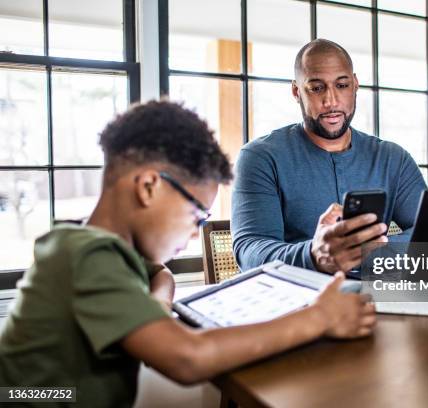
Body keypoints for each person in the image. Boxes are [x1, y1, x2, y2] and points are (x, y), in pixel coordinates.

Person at [0, 101, 376, 407]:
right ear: (148, 187)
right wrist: (319, 319)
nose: (197, 230)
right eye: (197, 213)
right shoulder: (89, 256)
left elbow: (159, 274)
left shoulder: (95, 248)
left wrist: (156, 304)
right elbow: (187, 358)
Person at [231, 39, 428, 274]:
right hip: (301, 300)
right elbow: (250, 251)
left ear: (355, 85)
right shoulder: (260, 158)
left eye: (342, 85)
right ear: (297, 91)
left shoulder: (393, 158)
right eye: (316, 88)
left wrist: (370, 253)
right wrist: (314, 254)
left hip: (377, 296)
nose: (331, 101)